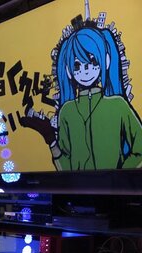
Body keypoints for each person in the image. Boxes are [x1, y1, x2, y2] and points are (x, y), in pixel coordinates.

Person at [22, 18, 142, 171]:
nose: (85, 70)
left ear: (105, 61)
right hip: (78, 186)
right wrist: (51, 141)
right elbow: (66, 168)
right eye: (77, 65)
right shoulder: (67, 111)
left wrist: (118, 175)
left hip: (116, 186)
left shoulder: (118, 105)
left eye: (93, 62)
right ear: (68, 70)